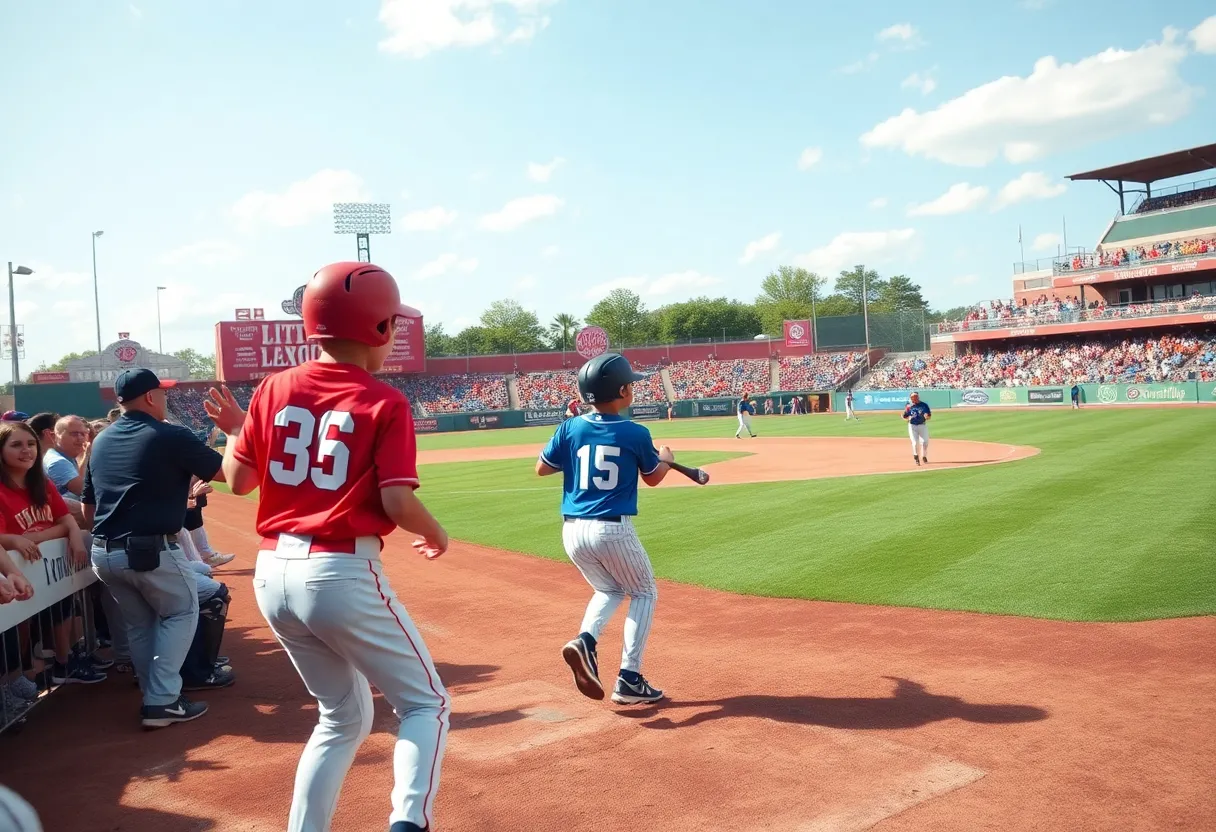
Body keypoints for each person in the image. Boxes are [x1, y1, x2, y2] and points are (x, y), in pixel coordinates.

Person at [204, 262, 451, 832]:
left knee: (341, 716)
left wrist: (239, 428)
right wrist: (435, 533)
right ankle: (409, 823)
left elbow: (238, 482)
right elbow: (397, 503)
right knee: (426, 704)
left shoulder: (272, 387)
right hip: (340, 571)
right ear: (383, 327)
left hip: (273, 573)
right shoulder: (384, 400)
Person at [83, 368, 227, 729]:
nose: (165, 398)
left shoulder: (101, 441)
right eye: (161, 393)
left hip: (103, 551)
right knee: (180, 612)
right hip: (150, 549)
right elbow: (227, 474)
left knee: (140, 627)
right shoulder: (168, 435)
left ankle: (156, 698)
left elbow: (89, 507)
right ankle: (162, 699)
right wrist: (237, 431)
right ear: (150, 397)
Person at [539, 352, 674, 706]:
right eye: (630, 384)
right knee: (644, 593)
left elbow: (541, 468)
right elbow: (654, 478)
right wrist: (668, 461)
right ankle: (629, 677)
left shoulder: (570, 427)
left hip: (572, 531)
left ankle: (586, 640)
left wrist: (574, 439)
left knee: (610, 590)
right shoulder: (635, 432)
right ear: (623, 392)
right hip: (611, 529)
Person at [0, 420, 102, 687]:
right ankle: (17, 679)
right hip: (18, 570)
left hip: (47, 566)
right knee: (18, 626)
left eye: (31, 444)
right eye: (16, 445)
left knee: (66, 608)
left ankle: (64, 661)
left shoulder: (41, 483)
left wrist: (64, 537)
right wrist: (14, 538)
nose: (27, 451)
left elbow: (65, 518)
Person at [902, 391, 931, 466]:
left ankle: (924, 456)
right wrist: (907, 419)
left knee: (925, 442)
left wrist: (927, 417)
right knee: (914, 443)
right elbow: (904, 416)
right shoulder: (909, 406)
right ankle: (916, 457)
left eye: (915, 397)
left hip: (922, 425)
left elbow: (929, 416)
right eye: (912, 397)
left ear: (918, 397)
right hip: (912, 426)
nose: (914, 398)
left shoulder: (924, 405)